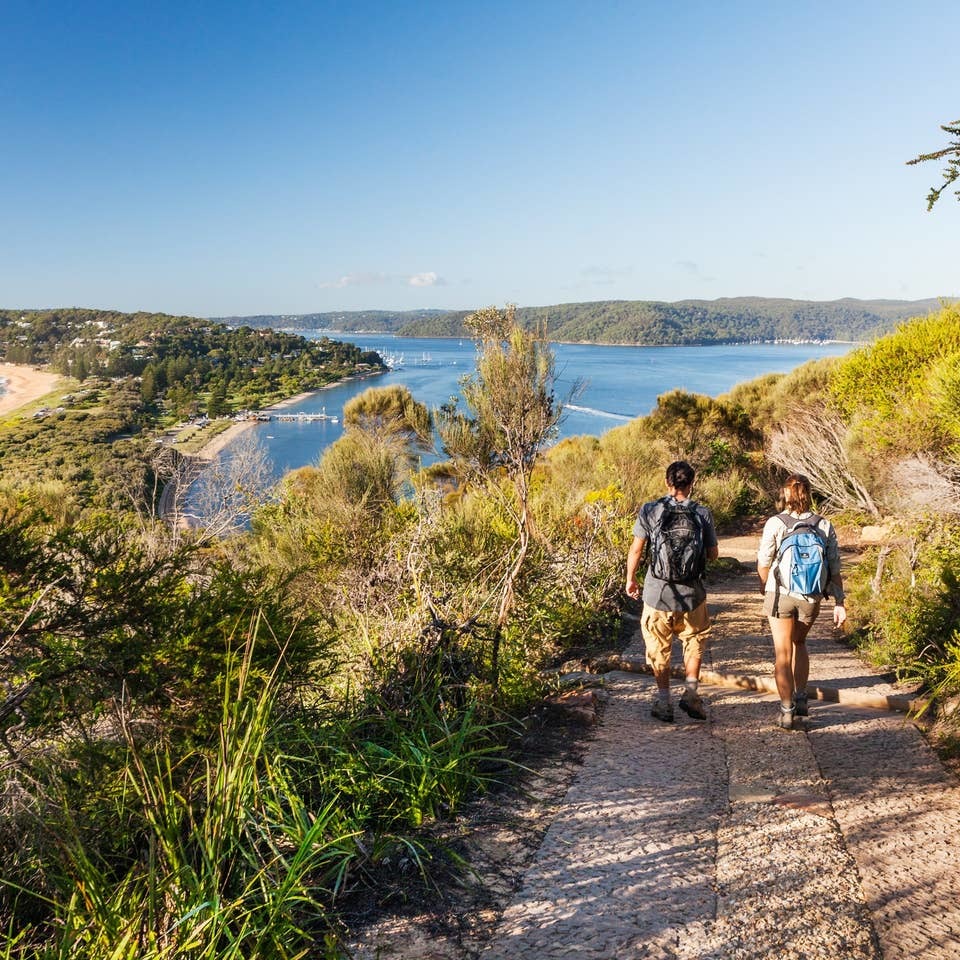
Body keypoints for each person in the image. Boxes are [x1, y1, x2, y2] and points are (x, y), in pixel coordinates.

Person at [625, 461, 719, 722]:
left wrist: (630, 579)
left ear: (667, 483)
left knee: (658, 646)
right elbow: (713, 554)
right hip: (693, 594)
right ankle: (691, 695)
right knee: (695, 642)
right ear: (692, 483)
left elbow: (636, 550)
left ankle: (663, 701)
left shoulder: (650, 510)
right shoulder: (702, 513)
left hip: (657, 593)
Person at [757, 473, 846, 730]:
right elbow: (835, 567)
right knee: (800, 642)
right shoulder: (824, 525)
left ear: (786, 493)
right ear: (809, 493)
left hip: (780, 595)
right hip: (811, 597)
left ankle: (786, 711)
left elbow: (764, 562)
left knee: (782, 653)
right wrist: (840, 602)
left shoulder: (775, 523)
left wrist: (765, 586)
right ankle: (801, 695)